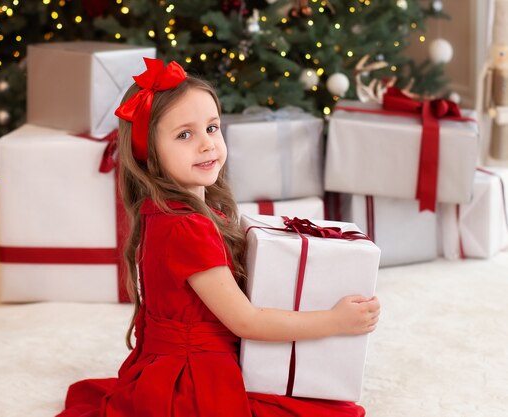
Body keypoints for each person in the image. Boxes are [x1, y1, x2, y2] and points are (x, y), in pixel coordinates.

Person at [56, 58, 380, 417]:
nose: (207, 144)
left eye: (212, 128)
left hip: (177, 359)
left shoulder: (174, 210)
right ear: (149, 154)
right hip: (194, 377)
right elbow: (247, 321)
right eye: (185, 134)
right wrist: (334, 321)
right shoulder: (186, 228)